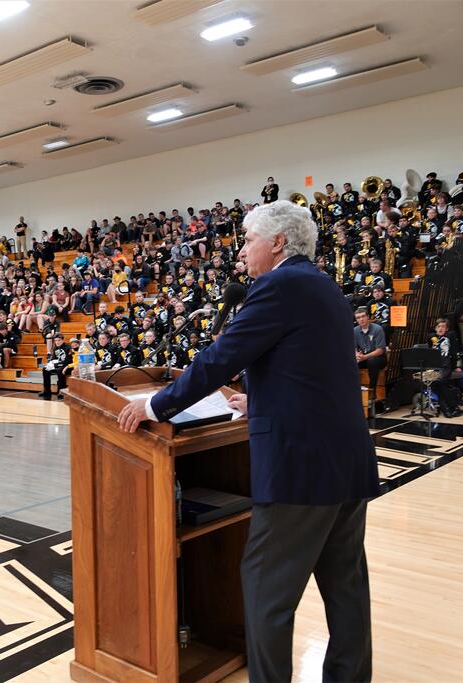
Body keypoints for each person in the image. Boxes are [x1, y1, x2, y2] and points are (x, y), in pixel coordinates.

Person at [118, 200, 378, 682]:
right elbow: (315, 371)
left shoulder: (278, 286)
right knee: (345, 586)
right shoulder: (323, 285)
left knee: (266, 589)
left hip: (301, 467)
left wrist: (155, 405)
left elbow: (220, 358)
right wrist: (259, 399)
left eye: (248, 239)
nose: (241, 251)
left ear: (277, 242)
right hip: (346, 458)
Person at [354, 307, 387, 396]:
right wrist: (357, 355)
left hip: (379, 358)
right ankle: (355, 389)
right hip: (364, 357)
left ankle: (372, 392)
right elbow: (354, 348)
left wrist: (364, 357)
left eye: (363, 316)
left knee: (372, 361)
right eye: (358, 317)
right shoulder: (355, 330)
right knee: (351, 362)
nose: (361, 319)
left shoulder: (377, 329)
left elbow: (380, 350)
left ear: (368, 317)